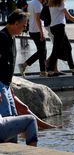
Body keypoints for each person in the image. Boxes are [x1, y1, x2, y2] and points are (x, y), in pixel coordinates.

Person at [0, 9, 38, 146]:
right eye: (23, 25)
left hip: (5, 85)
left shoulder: (11, 37)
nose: (25, 28)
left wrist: (9, 86)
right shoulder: (2, 37)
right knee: (6, 121)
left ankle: (13, 150)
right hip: (0, 86)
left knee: (12, 118)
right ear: (15, 23)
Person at [18, 0, 51, 77]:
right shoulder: (38, 4)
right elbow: (38, 18)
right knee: (42, 51)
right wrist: (41, 32)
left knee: (42, 51)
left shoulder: (31, 3)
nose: (45, 1)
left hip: (32, 30)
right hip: (37, 30)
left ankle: (39, 70)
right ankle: (42, 71)